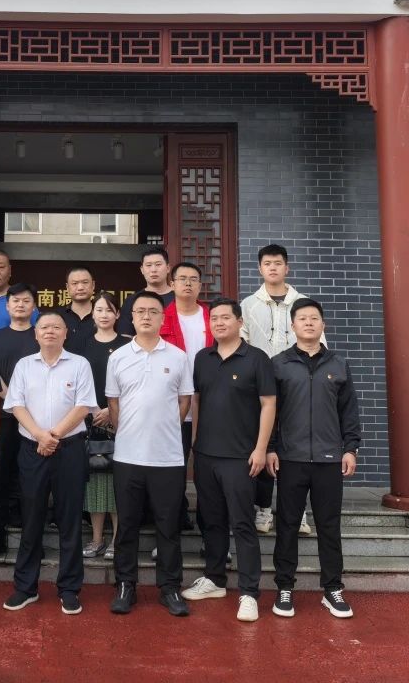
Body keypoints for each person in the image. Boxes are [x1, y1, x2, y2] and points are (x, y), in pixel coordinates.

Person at [181, 299, 275, 623]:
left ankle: (249, 592)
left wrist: (261, 449)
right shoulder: (202, 358)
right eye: (214, 319)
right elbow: (197, 400)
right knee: (212, 521)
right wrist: (195, 442)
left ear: (239, 322)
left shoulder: (257, 358)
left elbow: (268, 404)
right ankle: (215, 579)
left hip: (240, 456)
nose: (219, 323)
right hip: (206, 454)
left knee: (242, 524)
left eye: (225, 318)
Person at [268, 299, 361, 620]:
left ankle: (332, 588)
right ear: (292, 326)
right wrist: (271, 448)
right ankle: (284, 587)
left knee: (329, 526)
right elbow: (270, 413)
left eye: (314, 318)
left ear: (323, 325)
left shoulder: (339, 364)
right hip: (290, 459)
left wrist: (350, 448)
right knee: (287, 525)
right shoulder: (279, 364)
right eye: (302, 318)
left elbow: (349, 411)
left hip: (329, 460)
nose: (308, 323)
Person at [2, 311, 98, 615]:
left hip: (69, 450)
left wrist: (52, 436)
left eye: (56, 327)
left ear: (65, 333)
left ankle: (69, 589)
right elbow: (16, 405)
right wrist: (39, 436)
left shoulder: (80, 364)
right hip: (32, 450)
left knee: (70, 520)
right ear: (36, 333)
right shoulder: (24, 365)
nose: (50, 331)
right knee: (31, 518)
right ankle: (25, 587)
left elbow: (84, 406)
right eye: (44, 327)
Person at [105, 291, 193, 617]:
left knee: (168, 527)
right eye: (140, 311)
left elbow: (184, 401)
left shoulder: (179, 357)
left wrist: (163, 430)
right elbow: (113, 404)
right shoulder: (118, 357)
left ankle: (170, 588)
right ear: (131, 318)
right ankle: (125, 585)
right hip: (128, 456)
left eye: (152, 311)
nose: (145, 316)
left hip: (167, 458)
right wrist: (129, 432)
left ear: (162, 318)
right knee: (127, 525)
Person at [241, 244, 316, 536]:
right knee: (262, 444)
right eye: (267, 263)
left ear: (287, 267)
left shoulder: (303, 303)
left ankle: (297, 512)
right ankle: (262, 508)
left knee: (295, 448)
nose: (272, 268)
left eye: (278, 263)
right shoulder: (248, 305)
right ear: (260, 269)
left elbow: (317, 342)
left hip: (297, 384)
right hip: (260, 386)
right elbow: (242, 344)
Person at [0, 283, 40, 559]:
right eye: (15, 301)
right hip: (5, 417)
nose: (20, 305)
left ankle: (33, 539)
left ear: (34, 306)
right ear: (7, 306)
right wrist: (12, 399)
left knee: (32, 478)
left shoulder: (40, 335)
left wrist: (24, 405)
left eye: (26, 300)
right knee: (1, 477)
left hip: (35, 419)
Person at [158, 261, 211, 535]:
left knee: (207, 471)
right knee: (172, 470)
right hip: (172, 406)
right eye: (182, 279)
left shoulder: (212, 317)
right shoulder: (161, 317)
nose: (188, 283)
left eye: (193, 279)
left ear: (200, 285)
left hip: (209, 406)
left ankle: (209, 531)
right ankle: (174, 525)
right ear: (172, 284)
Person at [78, 291, 130, 560]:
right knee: (95, 481)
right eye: (99, 310)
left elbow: (132, 385)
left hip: (121, 422)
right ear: (93, 314)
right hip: (89, 422)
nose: (104, 315)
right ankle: (97, 539)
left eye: (109, 310)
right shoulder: (82, 345)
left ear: (117, 314)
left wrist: (112, 411)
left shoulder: (128, 345)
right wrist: (92, 410)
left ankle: (117, 541)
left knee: (117, 481)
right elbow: (76, 382)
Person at [115, 246, 174, 336]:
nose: (153, 270)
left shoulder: (180, 298)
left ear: (168, 268)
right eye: (149, 265)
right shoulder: (132, 300)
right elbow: (125, 335)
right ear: (142, 270)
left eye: (158, 264)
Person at [59, 266, 97, 350]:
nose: (80, 288)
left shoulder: (103, 315)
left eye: (85, 282)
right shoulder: (57, 317)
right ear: (67, 287)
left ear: (93, 285)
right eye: (75, 283)